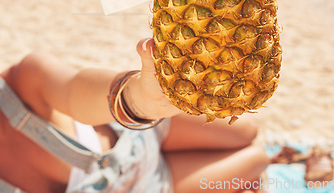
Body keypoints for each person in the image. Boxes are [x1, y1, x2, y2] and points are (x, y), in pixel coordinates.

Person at [0, 38, 269, 193]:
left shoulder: (21, 82)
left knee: (247, 130)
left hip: (143, 128)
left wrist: (140, 100)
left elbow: (73, 89)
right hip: (146, 185)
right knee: (258, 159)